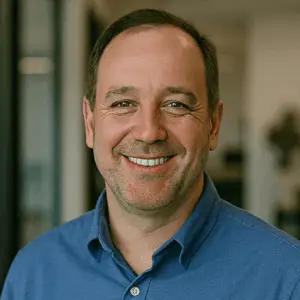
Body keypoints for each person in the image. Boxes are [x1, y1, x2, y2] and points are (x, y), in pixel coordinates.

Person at [2, 8, 300, 300]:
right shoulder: (33, 273)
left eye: (176, 105)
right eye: (122, 104)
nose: (148, 132)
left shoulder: (287, 278)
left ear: (213, 124)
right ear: (90, 124)